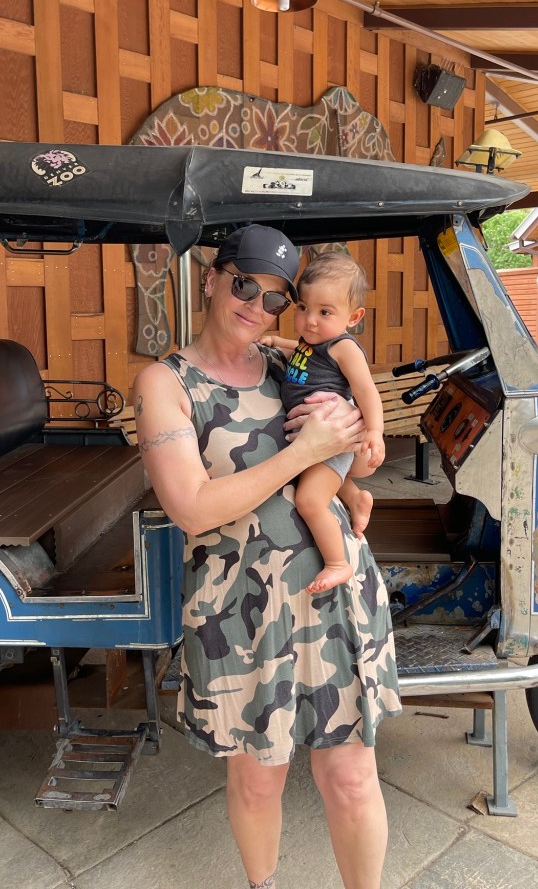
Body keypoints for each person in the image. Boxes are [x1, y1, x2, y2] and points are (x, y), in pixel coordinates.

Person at [133, 224, 401, 889]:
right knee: (258, 780)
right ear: (211, 279)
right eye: (244, 284)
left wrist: (352, 479)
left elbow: (353, 446)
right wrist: (305, 453)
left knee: (351, 776)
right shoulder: (167, 383)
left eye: (277, 297)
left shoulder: (292, 364)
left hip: (332, 599)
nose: (258, 304)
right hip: (240, 614)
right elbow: (191, 507)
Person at [260, 252, 385, 594]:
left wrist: (375, 431)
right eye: (303, 308)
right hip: (314, 439)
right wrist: (277, 342)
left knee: (310, 500)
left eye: (325, 312)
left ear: (354, 317)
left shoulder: (344, 348)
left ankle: (338, 563)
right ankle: (355, 498)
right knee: (315, 478)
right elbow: (301, 354)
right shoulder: (313, 342)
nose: (310, 321)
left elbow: (366, 390)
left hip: (331, 439)